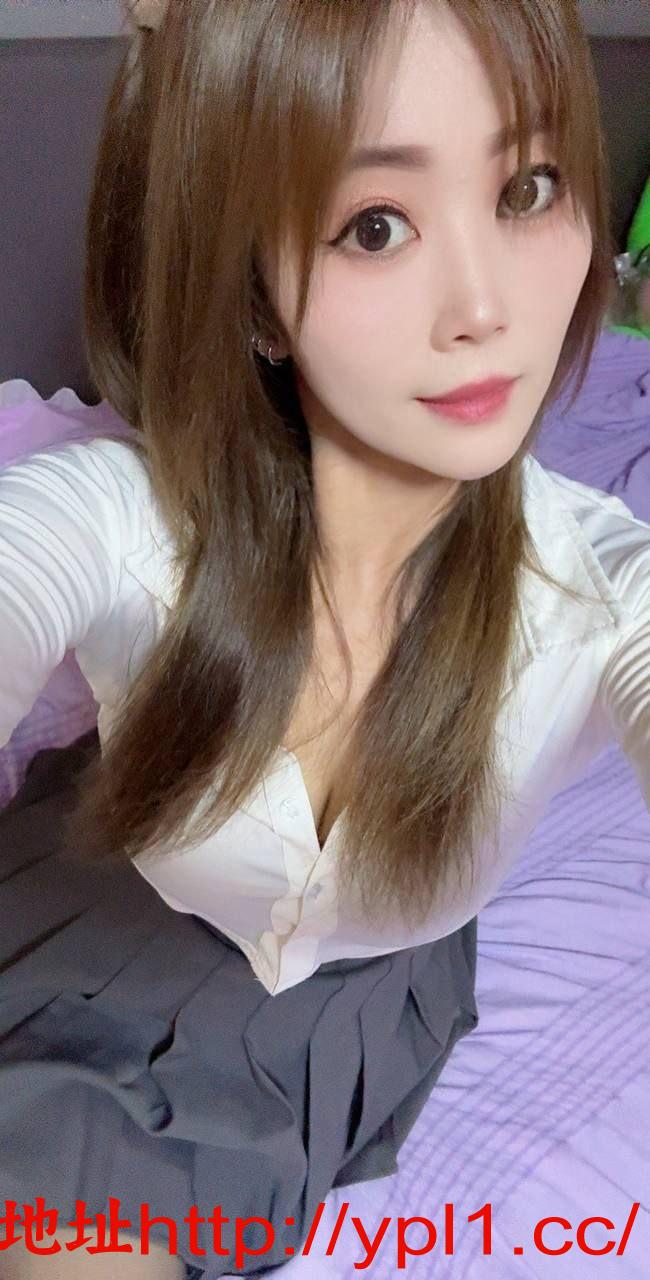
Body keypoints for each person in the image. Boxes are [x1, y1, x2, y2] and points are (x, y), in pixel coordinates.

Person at [0, 1, 648, 1277]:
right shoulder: (124, 520)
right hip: (93, 917)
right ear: (256, 298)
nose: (484, 308)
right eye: (376, 225)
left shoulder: (591, 585)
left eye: (525, 189)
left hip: (354, 999)